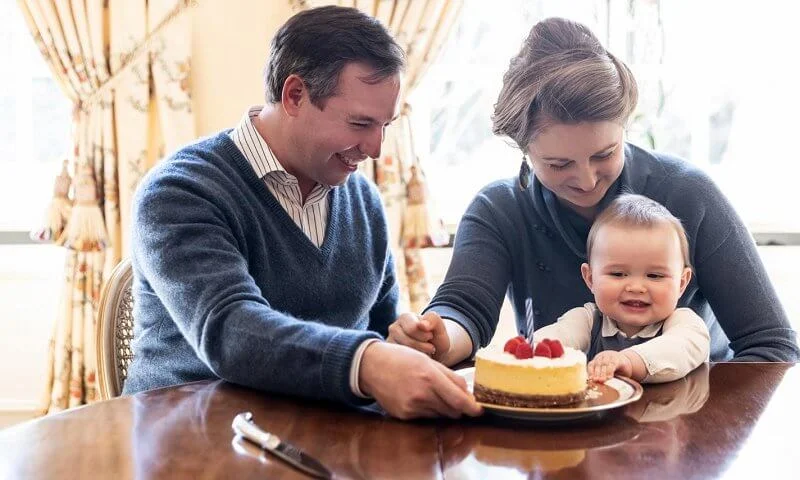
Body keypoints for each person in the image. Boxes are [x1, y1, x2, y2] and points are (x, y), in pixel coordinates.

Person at [124, 5, 481, 420]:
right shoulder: (180, 192)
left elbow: (379, 334)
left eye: (385, 125)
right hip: (192, 442)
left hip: (326, 441)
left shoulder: (364, 201)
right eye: (361, 123)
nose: (376, 149)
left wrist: (405, 342)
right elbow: (229, 330)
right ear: (295, 95)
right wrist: (366, 362)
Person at [387, 17, 798, 366]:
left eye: (605, 154)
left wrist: (701, 425)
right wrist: (436, 335)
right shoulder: (500, 210)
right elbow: (463, 310)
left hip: (690, 428)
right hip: (561, 432)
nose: (585, 180)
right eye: (558, 164)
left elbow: (774, 346)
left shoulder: (689, 195)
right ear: (523, 150)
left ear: (625, 127)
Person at [532, 194, 710, 384]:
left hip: (671, 412)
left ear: (681, 283)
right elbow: (557, 337)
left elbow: (680, 349)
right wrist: (528, 352)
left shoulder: (684, 323)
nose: (636, 287)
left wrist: (629, 361)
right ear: (590, 278)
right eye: (618, 274)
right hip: (601, 414)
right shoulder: (588, 320)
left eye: (654, 276)